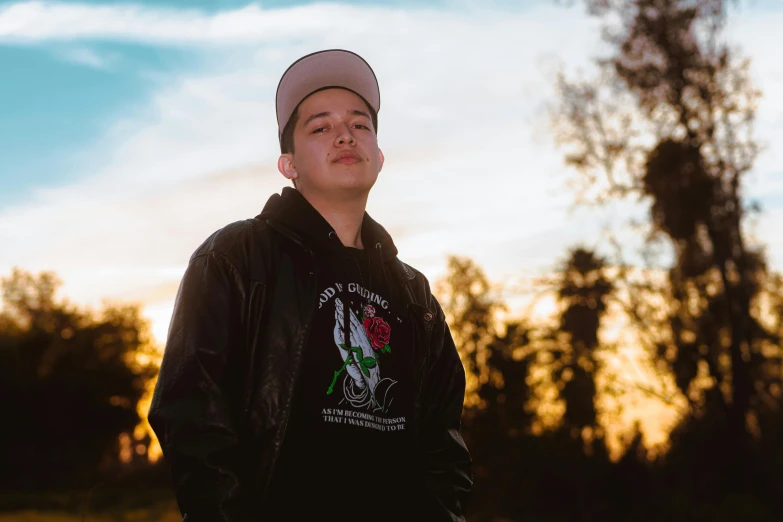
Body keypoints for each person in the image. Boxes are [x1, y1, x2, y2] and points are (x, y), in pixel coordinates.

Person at [148, 49, 472, 521]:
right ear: (289, 164)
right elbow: (192, 418)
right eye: (320, 127)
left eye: (360, 125)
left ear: (378, 157)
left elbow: (444, 445)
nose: (345, 134)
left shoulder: (414, 295)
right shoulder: (235, 258)